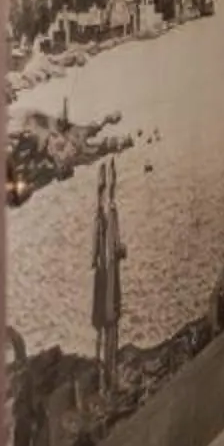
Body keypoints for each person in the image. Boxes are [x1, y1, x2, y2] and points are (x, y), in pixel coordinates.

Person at [91, 157, 125, 392]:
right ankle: (105, 378)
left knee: (107, 325)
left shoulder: (106, 216)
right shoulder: (105, 217)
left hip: (107, 277)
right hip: (107, 278)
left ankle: (106, 378)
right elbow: (105, 250)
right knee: (107, 325)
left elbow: (101, 252)